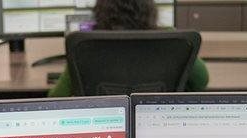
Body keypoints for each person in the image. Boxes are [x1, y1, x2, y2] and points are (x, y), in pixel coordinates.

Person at [48, 0, 208, 97]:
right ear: (150, 9)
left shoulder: (86, 44)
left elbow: (57, 96)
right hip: (155, 121)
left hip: (104, 126)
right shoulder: (172, 39)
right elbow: (201, 80)